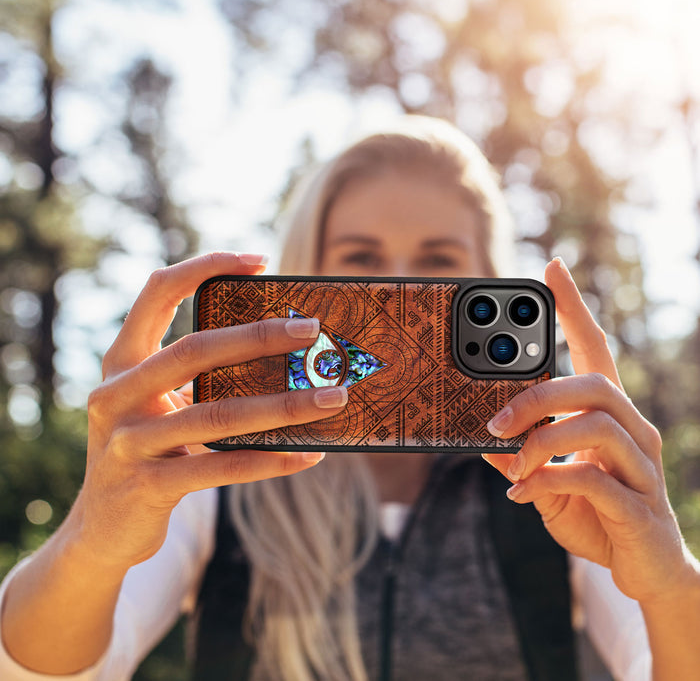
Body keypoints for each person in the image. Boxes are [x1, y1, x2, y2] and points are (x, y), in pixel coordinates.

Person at [1, 116, 699, 681]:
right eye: (361, 261)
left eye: (437, 263)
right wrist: (94, 538)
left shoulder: (554, 482)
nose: (397, 292)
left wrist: (670, 585)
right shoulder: (218, 476)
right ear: (306, 277)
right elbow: (48, 671)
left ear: (487, 280)